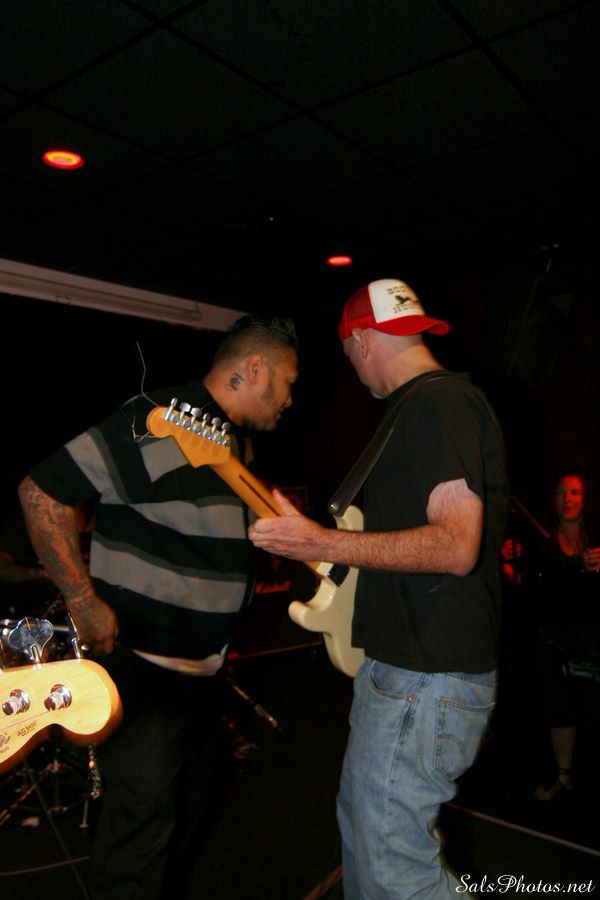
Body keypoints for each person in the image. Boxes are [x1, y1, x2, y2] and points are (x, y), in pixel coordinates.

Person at [17, 313, 298, 900]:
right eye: (288, 382)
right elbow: (42, 490)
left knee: (182, 820)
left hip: (203, 674)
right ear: (255, 368)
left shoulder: (230, 441)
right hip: (145, 669)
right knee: (139, 836)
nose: (290, 399)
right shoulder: (156, 419)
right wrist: (82, 599)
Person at [248, 278, 508, 899]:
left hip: (425, 675)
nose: (353, 368)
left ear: (362, 340)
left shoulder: (437, 403)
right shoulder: (423, 406)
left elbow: (455, 545)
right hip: (411, 672)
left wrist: (322, 543)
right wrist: (320, 540)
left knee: (394, 871)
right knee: (371, 853)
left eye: (348, 355)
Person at [532, 471, 600, 802]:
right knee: (558, 710)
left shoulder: (597, 538)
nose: (567, 498)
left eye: (574, 492)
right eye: (561, 492)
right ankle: (564, 776)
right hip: (552, 642)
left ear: (585, 499)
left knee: (592, 711)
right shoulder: (541, 540)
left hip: (593, 643)